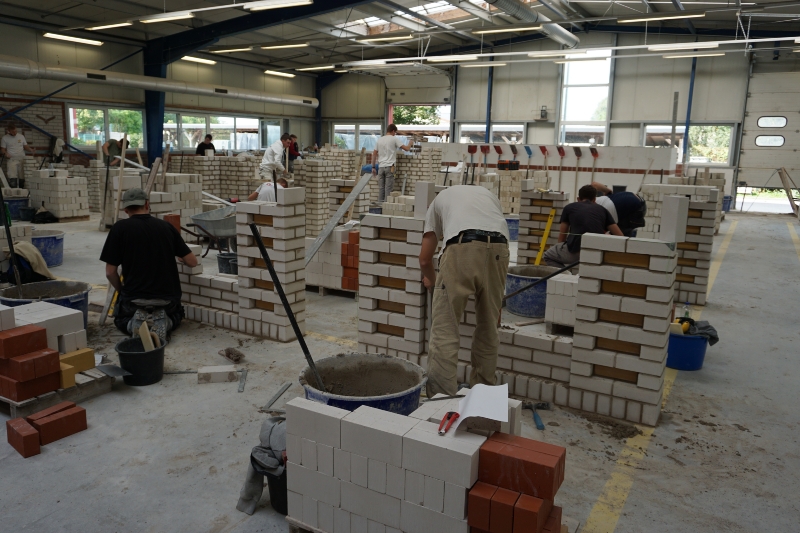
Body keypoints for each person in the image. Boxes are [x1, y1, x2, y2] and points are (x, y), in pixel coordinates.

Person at [419, 185, 511, 397]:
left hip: (462, 247)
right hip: (500, 248)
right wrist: (496, 305)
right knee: (489, 329)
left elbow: (424, 259)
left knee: (445, 329)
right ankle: (484, 396)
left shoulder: (436, 203)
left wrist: (432, 281)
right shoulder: (489, 196)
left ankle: (441, 399)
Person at [100, 188, 198, 338]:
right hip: (166, 300)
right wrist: (181, 258)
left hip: (134, 300)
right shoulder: (166, 227)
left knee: (120, 319)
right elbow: (192, 262)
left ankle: (133, 324)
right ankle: (166, 321)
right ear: (147, 204)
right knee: (178, 315)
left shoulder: (119, 229)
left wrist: (122, 291)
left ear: (126, 210)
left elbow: (110, 272)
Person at [543, 184, 624, 268]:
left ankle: (564, 275)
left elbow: (562, 237)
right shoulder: (603, 210)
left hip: (575, 251)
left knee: (548, 256)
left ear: (578, 199)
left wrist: (561, 250)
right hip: (597, 253)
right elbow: (620, 236)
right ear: (594, 199)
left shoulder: (569, 207)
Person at [372, 124, 412, 203]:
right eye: (395, 133)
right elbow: (406, 149)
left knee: (381, 188)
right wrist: (410, 143)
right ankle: (387, 206)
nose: (395, 134)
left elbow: (374, 154)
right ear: (393, 131)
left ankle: (380, 206)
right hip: (390, 167)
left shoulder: (380, 139)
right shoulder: (394, 139)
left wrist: (373, 167)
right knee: (388, 189)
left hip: (381, 167)